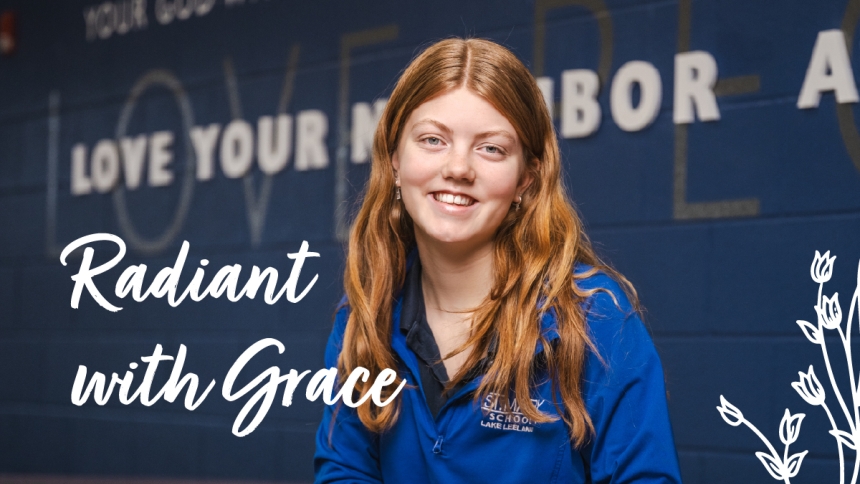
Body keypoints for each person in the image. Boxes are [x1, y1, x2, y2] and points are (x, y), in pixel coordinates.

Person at [314, 37, 681, 483]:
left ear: (527, 177)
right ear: (394, 159)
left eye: (491, 148)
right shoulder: (363, 317)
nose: (458, 168)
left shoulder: (594, 317)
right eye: (432, 140)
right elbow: (345, 471)